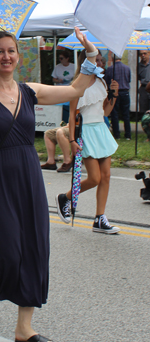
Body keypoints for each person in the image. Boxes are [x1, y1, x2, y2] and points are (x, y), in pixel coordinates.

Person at [0, 28, 98, 342]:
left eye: (11, 51)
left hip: (28, 172)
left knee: (34, 246)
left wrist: (89, 56)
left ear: (18, 56)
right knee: (8, 252)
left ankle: (24, 329)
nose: (6, 56)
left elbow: (75, 90)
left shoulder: (29, 91)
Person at [56, 49, 120, 235]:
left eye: (100, 60)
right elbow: (72, 116)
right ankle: (65, 198)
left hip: (101, 129)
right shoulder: (78, 85)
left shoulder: (101, 82)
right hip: (86, 132)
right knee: (94, 178)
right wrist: (72, 140)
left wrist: (113, 95)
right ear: (86, 62)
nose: (100, 64)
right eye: (96, 60)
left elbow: (105, 112)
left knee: (106, 176)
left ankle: (100, 218)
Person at [104, 55, 131, 140]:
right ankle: (128, 135)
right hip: (125, 92)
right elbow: (129, 79)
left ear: (112, 59)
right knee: (126, 114)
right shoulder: (127, 68)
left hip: (115, 92)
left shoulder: (110, 69)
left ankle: (117, 135)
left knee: (114, 114)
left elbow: (107, 80)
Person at [52, 51, 75, 124]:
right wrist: (58, 81)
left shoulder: (74, 66)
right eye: (59, 58)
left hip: (70, 89)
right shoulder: (58, 67)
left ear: (67, 58)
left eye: (62, 58)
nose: (60, 60)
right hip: (59, 90)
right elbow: (53, 79)